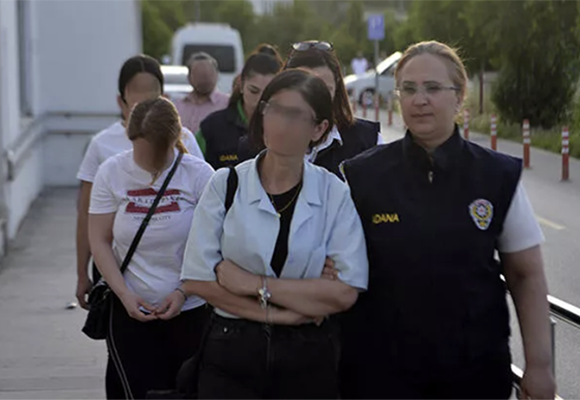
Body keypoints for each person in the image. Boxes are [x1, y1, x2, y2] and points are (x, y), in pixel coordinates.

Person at [339, 41, 556, 400]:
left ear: (459, 96)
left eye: (433, 88)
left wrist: (540, 365)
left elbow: (525, 274)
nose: (420, 99)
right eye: (409, 89)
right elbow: (337, 272)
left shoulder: (497, 176)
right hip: (381, 375)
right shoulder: (362, 176)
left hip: (474, 374)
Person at [180, 69, 369, 400]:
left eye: (294, 115)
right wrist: (280, 313)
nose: (281, 123)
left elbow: (344, 291)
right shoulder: (226, 184)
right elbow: (197, 281)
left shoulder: (333, 192)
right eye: (274, 109)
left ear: (319, 128)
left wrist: (252, 284)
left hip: (308, 355)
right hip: (231, 350)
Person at [89, 97, 215, 399]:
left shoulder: (200, 176)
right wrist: (124, 294)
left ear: (175, 139)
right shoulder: (111, 172)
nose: (145, 162)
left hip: (191, 311)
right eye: (138, 151)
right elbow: (99, 240)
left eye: (154, 154)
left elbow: (214, 246)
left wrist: (184, 291)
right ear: (130, 136)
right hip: (130, 312)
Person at [75, 55, 202, 309]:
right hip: (119, 274)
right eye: (137, 98)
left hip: (182, 291)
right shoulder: (102, 146)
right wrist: (81, 274)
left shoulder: (185, 140)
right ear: (121, 100)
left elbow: (206, 210)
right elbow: (87, 216)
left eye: (152, 96)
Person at [240, 41, 383, 180]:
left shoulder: (367, 141)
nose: (313, 102)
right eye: (301, 92)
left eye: (324, 91)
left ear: (337, 87)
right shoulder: (255, 145)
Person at [198, 44, 282, 169]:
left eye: (268, 93)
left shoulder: (286, 129)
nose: (260, 99)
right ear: (241, 85)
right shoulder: (212, 127)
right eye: (254, 91)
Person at [173, 52, 229, 133]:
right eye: (199, 74)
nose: (204, 79)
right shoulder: (178, 106)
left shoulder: (227, 105)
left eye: (208, 74)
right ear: (189, 77)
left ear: (217, 75)